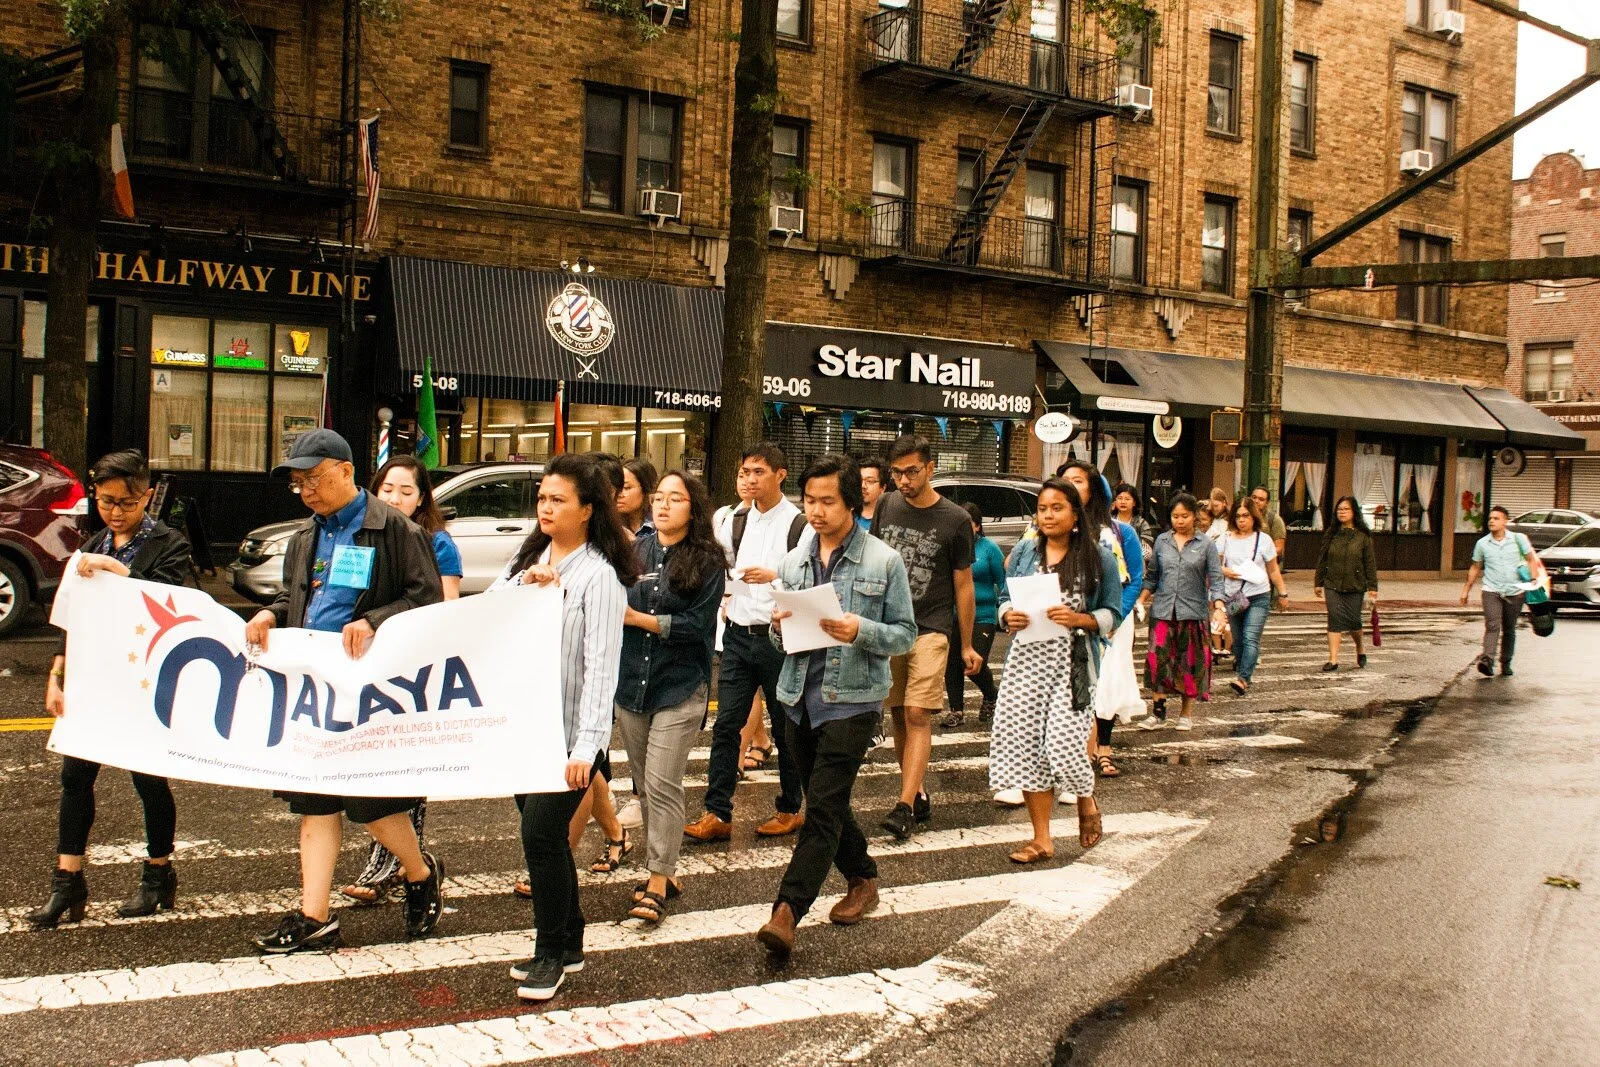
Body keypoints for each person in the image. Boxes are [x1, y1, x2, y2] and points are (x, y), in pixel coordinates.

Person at [244, 429, 444, 953]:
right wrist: (271, 613)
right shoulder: (305, 537)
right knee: (316, 801)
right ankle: (315, 916)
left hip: (370, 690)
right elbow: (299, 597)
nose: (307, 491)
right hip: (316, 689)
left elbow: (427, 602)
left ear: (347, 471)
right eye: (298, 483)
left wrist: (375, 620)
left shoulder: (395, 530)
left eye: (314, 479)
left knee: (371, 804)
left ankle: (420, 873)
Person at [756, 455, 916, 957]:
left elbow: (905, 634)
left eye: (828, 501)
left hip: (853, 701)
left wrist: (860, 630)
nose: (817, 511)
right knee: (828, 799)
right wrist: (778, 628)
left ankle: (787, 911)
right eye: (810, 501)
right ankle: (863, 877)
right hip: (798, 698)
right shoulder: (793, 563)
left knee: (821, 809)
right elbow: (781, 641)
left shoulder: (883, 561)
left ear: (851, 502)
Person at [28, 450, 191, 928]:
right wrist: (57, 674)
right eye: (105, 501)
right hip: (93, 677)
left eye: (126, 502)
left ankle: (158, 874)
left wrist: (116, 570)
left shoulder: (169, 543)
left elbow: (170, 604)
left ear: (147, 496)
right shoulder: (94, 542)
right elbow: (71, 617)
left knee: (148, 779)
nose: (115, 512)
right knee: (75, 778)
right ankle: (67, 882)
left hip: (143, 679)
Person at [498, 453, 636, 1001]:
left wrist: (588, 747)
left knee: (540, 837)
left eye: (559, 500)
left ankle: (549, 953)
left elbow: (602, 668)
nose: (546, 508)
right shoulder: (530, 555)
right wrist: (526, 585)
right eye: (542, 498)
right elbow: (489, 613)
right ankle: (571, 938)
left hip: (570, 736)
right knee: (545, 837)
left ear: (587, 509)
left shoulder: (599, 576)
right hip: (526, 726)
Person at [341, 456, 463, 906]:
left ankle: (391, 865)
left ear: (422, 498)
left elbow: (443, 607)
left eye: (406, 491)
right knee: (369, 768)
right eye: (387, 489)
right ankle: (405, 860)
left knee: (403, 768)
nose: (394, 498)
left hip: (412, 671)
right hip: (364, 666)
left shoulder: (437, 543)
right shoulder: (362, 537)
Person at [614, 471, 725, 925]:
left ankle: (658, 878)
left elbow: (698, 626)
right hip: (631, 685)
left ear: (693, 509)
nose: (662, 505)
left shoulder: (708, 560)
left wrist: (638, 619)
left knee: (662, 783)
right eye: (658, 497)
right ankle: (664, 867)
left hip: (680, 686)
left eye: (674, 499)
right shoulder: (632, 552)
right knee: (645, 785)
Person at [991, 479, 1122, 862]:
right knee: (1028, 749)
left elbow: (1113, 613)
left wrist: (1080, 618)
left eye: (1057, 508)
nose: (1048, 515)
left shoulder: (1099, 557)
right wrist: (1007, 615)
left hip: (1073, 665)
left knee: (1064, 747)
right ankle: (1041, 839)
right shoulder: (1024, 552)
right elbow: (1004, 598)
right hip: (1026, 663)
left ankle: (1086, 797)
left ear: (1075, 514)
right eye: (1043, 508)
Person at [686, 443, 808, 842]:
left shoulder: (798, 524)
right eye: (746, 472)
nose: (750, 479)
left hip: (779, 638)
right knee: (726, 725)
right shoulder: (733, 519)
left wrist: (773, 576)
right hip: (738, 635)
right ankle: (717, 812)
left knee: (786, 727)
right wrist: (729, 596)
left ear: (780, 474)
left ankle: (790, 807)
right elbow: (725, 573)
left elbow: (809, 579)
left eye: (759, 472)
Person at [871, 434, 980, 839]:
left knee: (918, 713)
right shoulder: (886, 505)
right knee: (899, 712)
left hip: (931, 628)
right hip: (890, 627)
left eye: (912, 472)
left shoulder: (955, 519)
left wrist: (966, 644)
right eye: (897, 473)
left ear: (930, 468)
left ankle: (903, 806)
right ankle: (915, 793)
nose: (904, 480)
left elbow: (963, 584)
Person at [1057, 461, 1143, 781]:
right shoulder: (1048, 527)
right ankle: (1073, 751)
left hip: (1111, 618)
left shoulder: (1118, 532)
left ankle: (1102, 748)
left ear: (1093, 490)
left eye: (1078, 480)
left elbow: (1133, 579)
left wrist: (1114, 616)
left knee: (1105, 683)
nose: (1070, 485)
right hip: (1065, 619)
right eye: (1065, 479)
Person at [1139, 493, 1226, 731]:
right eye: (1175, 516)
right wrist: (1140, 601)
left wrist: (1219, 607)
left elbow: (1216, 579)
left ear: (1194, 516)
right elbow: (1152, 577)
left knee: (1189, 664)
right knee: (1158, 660)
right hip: (1163, 611)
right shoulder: (1162, 541)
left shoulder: (1206, 544)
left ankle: (1186, 714)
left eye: (1184, 516)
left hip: (1193, 612)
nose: (1179, 521)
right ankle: (1158, 713)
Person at [1460, 505, 1543, 678]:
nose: (1491, 521)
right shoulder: (1482, 543)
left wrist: (1534, 580)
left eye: (1496, 518)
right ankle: (1487, 660)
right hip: (1491, 590)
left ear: (1505, 521)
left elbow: (1531, 560)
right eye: (1490, 518)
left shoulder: (1519, 539)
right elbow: (1475, 566)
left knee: (1509, 628)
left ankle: (1506, 662)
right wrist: (1466, 590)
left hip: (1515, 591)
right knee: (1492, 625)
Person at [1219, 497, 1290, 696]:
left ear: (1254, 517)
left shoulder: (1263, 540)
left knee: (1251, 637)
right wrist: (1225, 571)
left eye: (1246, 516)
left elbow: (1273, 569)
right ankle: (1243, 668)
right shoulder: (1226, 539)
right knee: (1238, 641)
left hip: (1258, 594)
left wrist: (1283, 593)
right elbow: (1214, 565)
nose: (1242, 520)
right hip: (1233, 596)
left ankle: (1243, 678)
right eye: (1238, 516)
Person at [941, 502, 1003, 728]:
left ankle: (992, 694)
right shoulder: (952, 547)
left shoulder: (989, 549)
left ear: (977, 526)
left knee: (973, 661)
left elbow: (1003, 582)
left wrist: (1006, 610)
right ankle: (956, 711)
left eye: (968, 524)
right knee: (952, 664)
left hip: (983, 615)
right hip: (954, 615)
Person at [1314, 496, 1379, 671]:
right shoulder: (1331, 533)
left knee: (1353, 622)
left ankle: (1360, 647)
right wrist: (1318, 582)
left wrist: (1373, 587)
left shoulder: (1363, 535)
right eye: (1339, 509)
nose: (1342, 512)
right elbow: (1323, 558)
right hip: (1332, 583)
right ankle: (1333, 660)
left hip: (1355, 584)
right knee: (1334, 618)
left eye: (1346, 509)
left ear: (1354, 512)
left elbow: (1369, 562)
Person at [1112, 482, 1154, 563]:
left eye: (1127, 499)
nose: (1123, 502)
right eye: (1119, 498)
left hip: (1133, 564)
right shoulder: (1108, 521)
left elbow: (1147, 552)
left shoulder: (1141, 524)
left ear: (1134, 502)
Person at [618, 457, 659, 539]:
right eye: (617, 487)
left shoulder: (660, 525)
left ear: (646, 489)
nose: (619, 494)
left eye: (626, 488)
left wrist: (635, 543)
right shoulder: (611, 524)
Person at [1249, 486, 1288, 563]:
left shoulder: (1274, 519)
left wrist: (1258, 556)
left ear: (1267, 503)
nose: (1256, 501)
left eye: (1261, 499)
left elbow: (1279, 548)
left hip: (1267, 564)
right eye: (1254, 497)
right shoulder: (1242, 516)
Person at [857, 457, 887, 532]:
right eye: (859, 480)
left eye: (869, 481)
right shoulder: (846, 515)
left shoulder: (888, 519)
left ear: (882, 488)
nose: (863, 486)